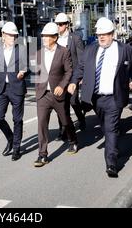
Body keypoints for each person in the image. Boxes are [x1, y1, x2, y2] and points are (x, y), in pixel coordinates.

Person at [67, 17, 132, 178]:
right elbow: (80, 68)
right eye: (99, 34)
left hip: (115, 97)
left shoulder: (125, 50)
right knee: (105, 127)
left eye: (105, 34)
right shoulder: (90, 50)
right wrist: (74, 82)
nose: (102, 37)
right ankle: (113, 148)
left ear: (113, 34)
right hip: (96, 99)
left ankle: (111, 164)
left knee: (110, 128)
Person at [34, 22, 78, 167]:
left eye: (47, 36)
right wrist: (37, 87)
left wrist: (62, 86)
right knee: (41, 123)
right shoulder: (39, 53)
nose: (44, 39)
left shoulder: (64, 52)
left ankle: (72, 140)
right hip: (43, 95)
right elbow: (38, 73)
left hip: (58, 94)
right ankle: (42, 155)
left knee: (65, 121)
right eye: (43, 36)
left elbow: (69, 71)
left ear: (55, 37)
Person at [0, 21, 29, 161]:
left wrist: (23, 72)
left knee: (17, 119)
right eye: (10, 35)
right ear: (3, 35)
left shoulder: (21, 49)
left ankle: (16, 148)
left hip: (17, 88)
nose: (13, 38)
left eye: (15, 35)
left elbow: (26, 67)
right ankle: (10, 138)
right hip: (2, 89)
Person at [54, 12, 86, 137]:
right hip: (58, 76)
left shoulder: (75, 38)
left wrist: (80, 76)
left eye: (61, 24)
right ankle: (63, 128)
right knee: (59, 103)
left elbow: (81, 58)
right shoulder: (55, 39)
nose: (58, 27)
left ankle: (81, 118)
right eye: (57, 24)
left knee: (73, 101)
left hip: (72, 75)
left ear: (67, 25)